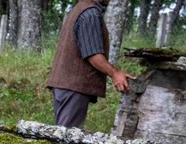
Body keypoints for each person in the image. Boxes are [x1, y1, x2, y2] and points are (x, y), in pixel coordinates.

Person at [45, 0, 135, 130]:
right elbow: (93, 55)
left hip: (65, 85)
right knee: (67, 137)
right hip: (73, 87)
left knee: (63, 132)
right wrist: (115, 74)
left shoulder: (79, 9)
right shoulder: (90, 13)